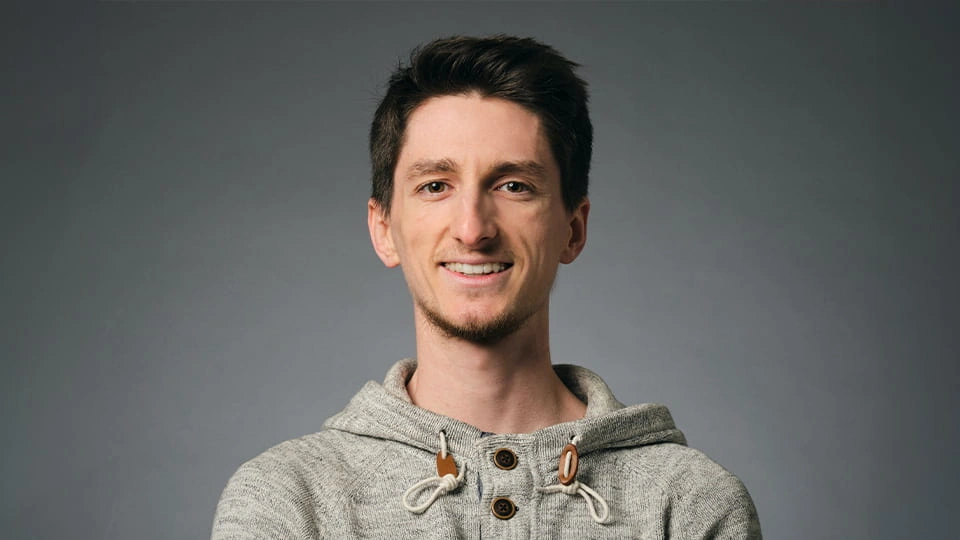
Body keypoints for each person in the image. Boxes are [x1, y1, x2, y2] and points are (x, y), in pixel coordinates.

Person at [212, 35, 761, 539]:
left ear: (573, 230)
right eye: (435, 186)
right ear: (384, 230)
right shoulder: (287, 502)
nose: (473, 228)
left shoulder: (688, 503)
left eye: (514, 185)